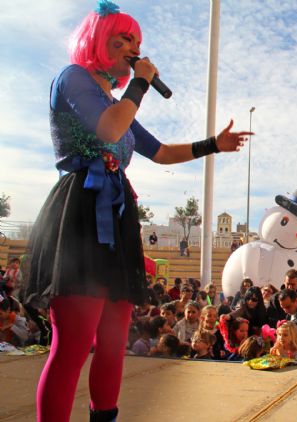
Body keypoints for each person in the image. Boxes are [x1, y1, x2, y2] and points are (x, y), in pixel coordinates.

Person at [22, 2, 252, 419]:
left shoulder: (116, 97)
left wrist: (212, 145)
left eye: (138, 41)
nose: (133, 46)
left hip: (117, 211)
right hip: (80, 211)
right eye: (125, 37)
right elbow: (110, 128)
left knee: (113, 341)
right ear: (98, 37)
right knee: (73, 344)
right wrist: (141, 85)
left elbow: (159, 151)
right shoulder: (72, 78)